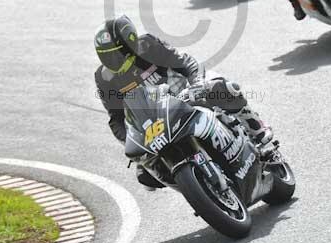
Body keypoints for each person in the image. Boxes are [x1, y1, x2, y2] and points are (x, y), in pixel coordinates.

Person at [94, 15, 273, 189]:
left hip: (185, 96)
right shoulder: (104, 78)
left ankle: (256, 129)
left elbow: (185, 62)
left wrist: (196, 84)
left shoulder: (148, 45)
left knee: (221, 88)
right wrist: (130, 140)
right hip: (155, 126)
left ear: (130, 42)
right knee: (145, 176)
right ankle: (201, 188)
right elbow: (116, 119)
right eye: (106, 56)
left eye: (116, 54)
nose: (113, 61)